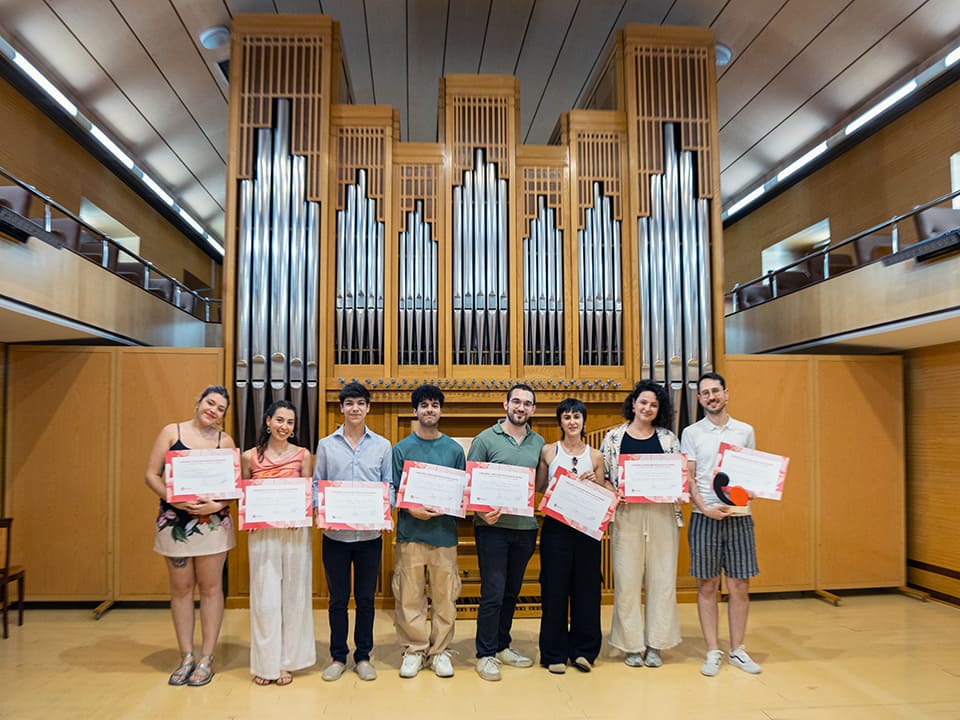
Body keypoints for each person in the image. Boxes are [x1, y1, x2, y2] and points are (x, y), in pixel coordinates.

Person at [144, 385, 236, 687]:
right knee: (181, 589)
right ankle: (186, 656)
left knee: (211, 589)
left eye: (221, 408)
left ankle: (207, 657)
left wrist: (217, 504)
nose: (214, 410)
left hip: (213, 522)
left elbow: (234, 487)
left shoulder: (225, 441)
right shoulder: (172, 432)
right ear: (198, 402)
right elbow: (151, 475)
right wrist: (173, 498)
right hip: (175, 522)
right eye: (210, 403)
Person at [680, 372, 762, 677]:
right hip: (705, 518)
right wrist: (704, 508)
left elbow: (753, 473)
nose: (711, 396)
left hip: (740, 517)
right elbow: (689, 477)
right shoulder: (691, 433)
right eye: (705, 393)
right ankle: (712, 650)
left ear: (726, 394)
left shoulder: (745, 431)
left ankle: (738, 649)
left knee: (739, 585)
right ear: (699, 399)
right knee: (708, 585)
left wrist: (754, 490)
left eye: (716, 391)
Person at [313, 381, 393, 682]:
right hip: (335, 537)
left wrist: (384, 507)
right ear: (342, 408)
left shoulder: (382, 445)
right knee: (337, 599)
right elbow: (316, 484)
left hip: (370, 538)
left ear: (368, 407)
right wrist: (321, 508)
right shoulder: (326, 445)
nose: (355, 408)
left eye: (360, 403)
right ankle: (337, 656)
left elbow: (390, 487)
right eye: (349, 403)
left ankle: (362, 656)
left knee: (366, 599)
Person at [600, 380, 682, 669]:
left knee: (662, 580)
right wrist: (614, 490)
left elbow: (679, 476)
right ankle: (631, 645)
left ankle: (656, 644)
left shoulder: (669, 438)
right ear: (633, 404)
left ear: (659, 409)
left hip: (661, 514)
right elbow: (604, 476)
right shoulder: (613, 438)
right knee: (626, 580)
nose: (647, 408)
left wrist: (677, 487)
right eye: (643, 402)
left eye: (654, 404)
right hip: (626, 514)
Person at [469, 383, 545, 682]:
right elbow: (471, 482)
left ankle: (502, 645)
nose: (521, 407)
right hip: (493, 530)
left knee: (512, 593)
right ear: (506, 404)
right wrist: (480, 513)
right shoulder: (485, 439)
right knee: (493, 593)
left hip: (524, 528)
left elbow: (539, 485)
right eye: (516, 402)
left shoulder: (539, 442)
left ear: (533, 409)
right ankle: (485, 653)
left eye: (527, 403)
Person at [391, 384, 466, 679]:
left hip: (444, 535)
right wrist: (412, 509)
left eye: (435, 405)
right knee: (409, 595)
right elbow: (395, 488)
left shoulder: (453, 450)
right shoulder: (401, 449)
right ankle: (414, 649)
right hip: (411, 533)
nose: (429, 410)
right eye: (424, 405)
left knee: (445, 596)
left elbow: (460, 492)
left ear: (441, 410)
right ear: (415, 411)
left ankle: (439, 651)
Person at [241, 400, 316, 686]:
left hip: (295, 532)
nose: (285, 427)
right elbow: (244, 493)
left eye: (290, 422)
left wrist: (303, 513)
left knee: (294, 596)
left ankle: (287, 662)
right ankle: (265, 664)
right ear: (268, 421)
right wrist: (251, 515)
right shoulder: (249, 457)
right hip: (263, 534)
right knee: (265, 598)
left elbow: (307, 493)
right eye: (280, 420)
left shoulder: (303, 455)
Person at [535, 398, 610, 674]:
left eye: (576, 416)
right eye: (566, 417)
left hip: (587, 530)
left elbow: (603, 494)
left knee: (586, 590)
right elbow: (541, 487)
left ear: (583, 421)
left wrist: (593, 483)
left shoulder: (596, 456)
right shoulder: (548, 451)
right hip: (556, 528)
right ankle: (554, 652)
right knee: (554, 589)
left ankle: (583, 651)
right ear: (561, 421)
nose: (572, 421)